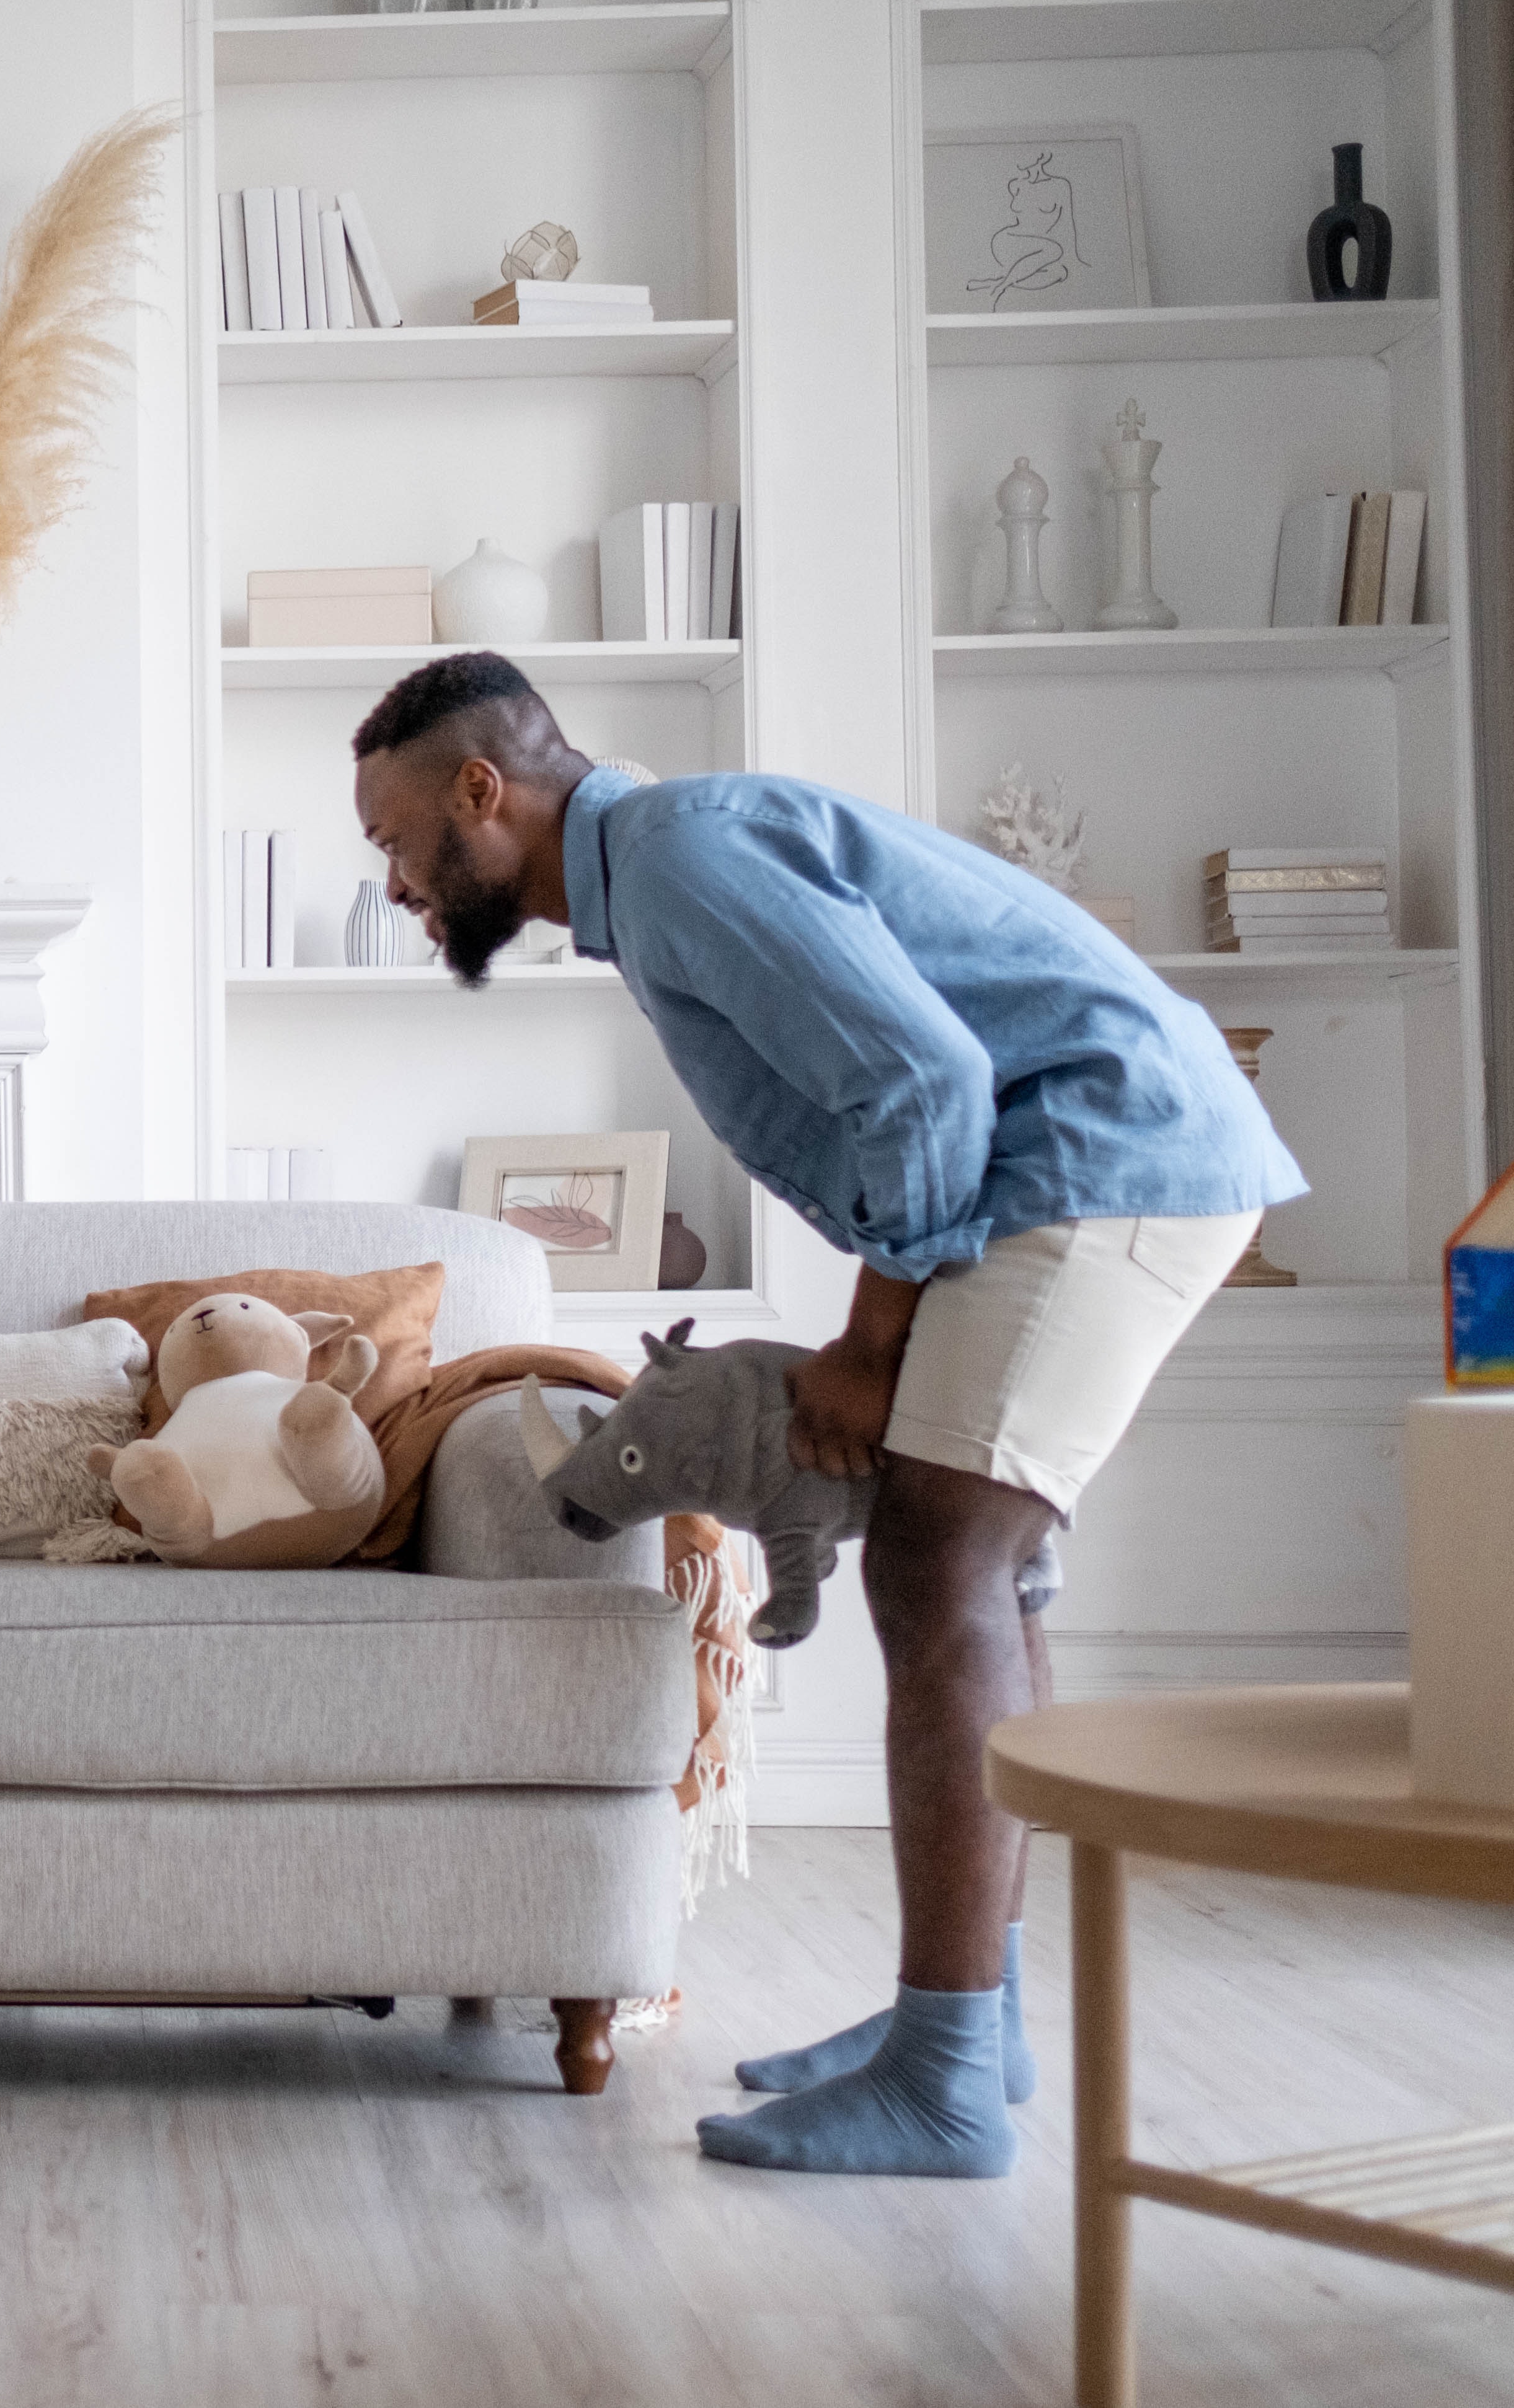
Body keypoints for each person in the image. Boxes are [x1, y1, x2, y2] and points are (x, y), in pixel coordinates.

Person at [349, 653, 1300, 2178]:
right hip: (1070, 1158)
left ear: (484, 793)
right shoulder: (655, 863)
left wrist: (869, 1344)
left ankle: (941, 2073)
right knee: (970, 1562)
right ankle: (967, 2030)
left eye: (395, 841)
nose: (395, 883)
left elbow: (922, 1082)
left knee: (937, 1564)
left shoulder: (671, 859)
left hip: (1099, 1150)